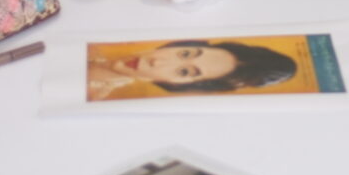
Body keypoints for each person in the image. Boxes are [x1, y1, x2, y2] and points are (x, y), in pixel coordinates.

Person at [87, 40, 298, 98]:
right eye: (185, 54)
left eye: (184, 72)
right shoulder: (92, 48)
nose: (157, 62)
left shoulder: (94, 96)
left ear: (176, 85)